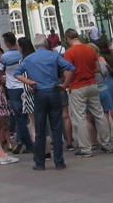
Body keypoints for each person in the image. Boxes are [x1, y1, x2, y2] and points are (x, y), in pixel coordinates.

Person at [14, 37, 74, 170]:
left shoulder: (29, 59)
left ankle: (40, 162)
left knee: (40, 129)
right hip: (53, 92)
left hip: (39, 93)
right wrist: (64, 85)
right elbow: (70, 68)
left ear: (36, 46)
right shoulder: (53, 55)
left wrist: (29, 82)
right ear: (46, 44)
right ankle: (59, 161)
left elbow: (17, 73)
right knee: (56, 128)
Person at [63, 29, 113, 157]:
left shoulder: (69, 52)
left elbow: (68, 72)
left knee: (80, 118)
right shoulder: (89, 49)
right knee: (99, 114)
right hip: (92, 84)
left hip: (77, 87)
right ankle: (107, 145)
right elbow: (97, 68)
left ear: (68, 38)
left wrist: (65, 85)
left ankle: (86, 148)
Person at [0, 32, 32, 155]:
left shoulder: (5, 57)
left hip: (12, 87)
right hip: (24, 85)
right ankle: (20, 141)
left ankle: (27, 143)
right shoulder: (21, 53)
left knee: (19, 116)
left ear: (7, 42)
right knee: (24, 115)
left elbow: (0, 72)